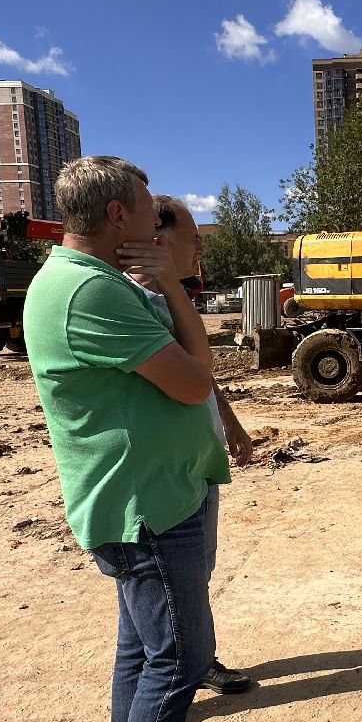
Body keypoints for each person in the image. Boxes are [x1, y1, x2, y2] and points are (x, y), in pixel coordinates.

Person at [23, 156, 240, 722]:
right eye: (148, 209)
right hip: (144, 511)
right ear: (117, 215)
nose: (158, 221)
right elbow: (194, 378)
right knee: (180, 658)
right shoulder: (89, 292)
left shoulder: (97, 284)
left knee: (141, 657)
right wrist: (177, 288)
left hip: (152, 499)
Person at [136, 194, 253, 694]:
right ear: (160, 242)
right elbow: (184, 378)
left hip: (197, 465)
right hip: (166, 481)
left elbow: (200, 372)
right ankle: (180, 674)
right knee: (175, 591)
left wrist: (229, 424)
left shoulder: (168, 300)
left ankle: (196, 660)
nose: (200, 248)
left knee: (196, 575)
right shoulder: (135, 305)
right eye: (193, 238)